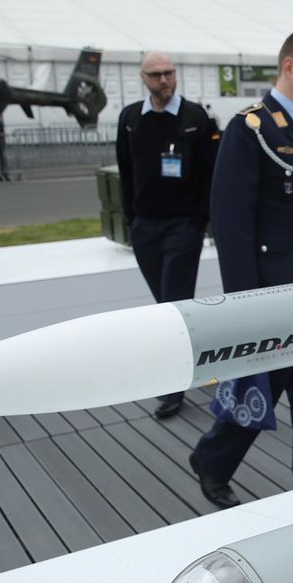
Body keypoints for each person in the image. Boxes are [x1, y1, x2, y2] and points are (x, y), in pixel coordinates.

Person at [191, 31, 293, 509]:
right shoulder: (249, 128)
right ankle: (212, 461)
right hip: (273, 295)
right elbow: (232, 225)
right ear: (289, 67)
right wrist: (246, 306)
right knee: (262, 387)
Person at [115, 51, 220, 419]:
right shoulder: (130, 119)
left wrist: (198, 221)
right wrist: (132, 220)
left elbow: (211, 172)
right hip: (145, 227)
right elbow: (125, 172)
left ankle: (174, 388)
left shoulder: (194, 117)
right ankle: (204, 359)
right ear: (143, 78)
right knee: (167, 306)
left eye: (170, 73)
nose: (165, 80)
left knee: (173, 307)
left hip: (183, 226)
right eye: (157, 74)